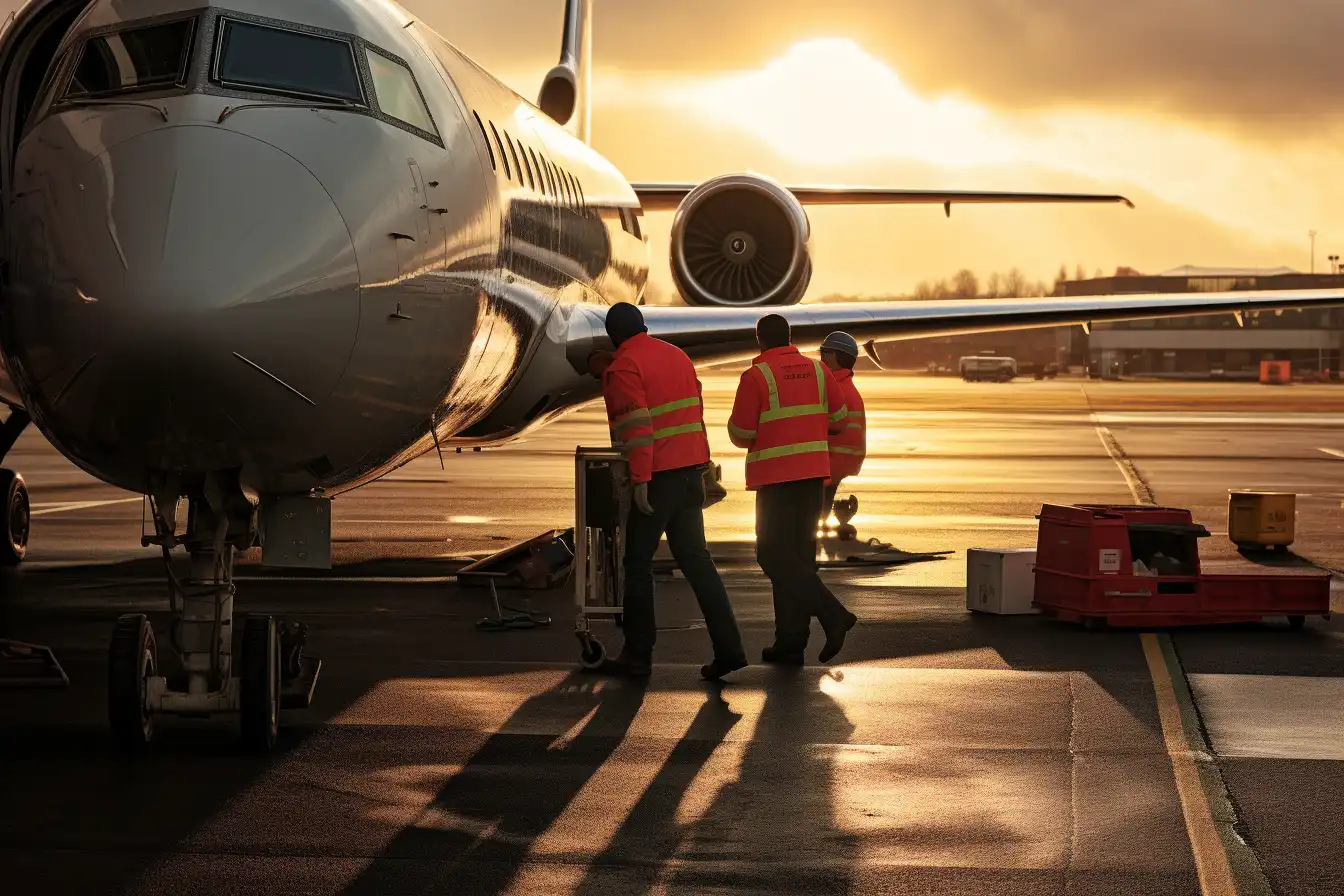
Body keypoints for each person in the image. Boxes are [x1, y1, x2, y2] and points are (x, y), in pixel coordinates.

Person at [593, 302, 748, 681]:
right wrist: (704, 467)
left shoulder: (625, 367)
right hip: (690, 473)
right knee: (697, 561)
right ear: (643, 326)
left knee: (638, 564)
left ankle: (638, 654)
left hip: (658, 477)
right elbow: (694, 412)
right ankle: (729, 649)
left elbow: (637, 428)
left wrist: (641, 480)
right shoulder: (677, 356)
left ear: (614, 337)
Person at [728, 314, 858, 665]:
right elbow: (839, 420)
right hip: (813, 478)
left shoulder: (756, 376)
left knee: (771, 555)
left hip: (775, 480)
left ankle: (833, 615)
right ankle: (791, 642)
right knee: (799, 560)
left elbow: (740, 433)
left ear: (760, 340)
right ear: (790, 337)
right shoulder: (819, 372)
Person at [818, 331, 866, 531]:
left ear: (838, 357)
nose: (821, 356)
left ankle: (812, 545)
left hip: (830, 462)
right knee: (822, 508)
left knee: (816, 511)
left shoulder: (834, 389)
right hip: (840, 462)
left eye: (826, 352)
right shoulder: (846, 387)